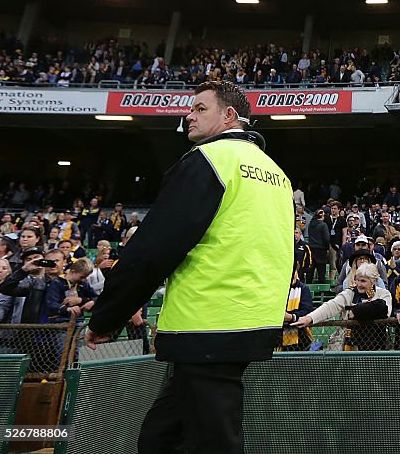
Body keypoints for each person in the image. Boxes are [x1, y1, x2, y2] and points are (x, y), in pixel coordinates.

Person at [84, 81, 295, 454]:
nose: (189, 115)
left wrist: (108, 316)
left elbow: (153, 248)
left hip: (209, 323)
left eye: (200, 109)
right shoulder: (276, 173)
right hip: (250, 321)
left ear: (229, 115)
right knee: (160, 438)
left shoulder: (210, 161)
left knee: (212, 442)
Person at [292, 262, 391, 351]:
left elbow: (385, 310)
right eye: (357, 280)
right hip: (350, 344)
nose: (359, 284)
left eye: (363, 281)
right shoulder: (349, 293)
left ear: (373, 281)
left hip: (375, 346)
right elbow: (331, 306)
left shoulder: (383, 294)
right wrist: (310, 318)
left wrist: (356, 311)